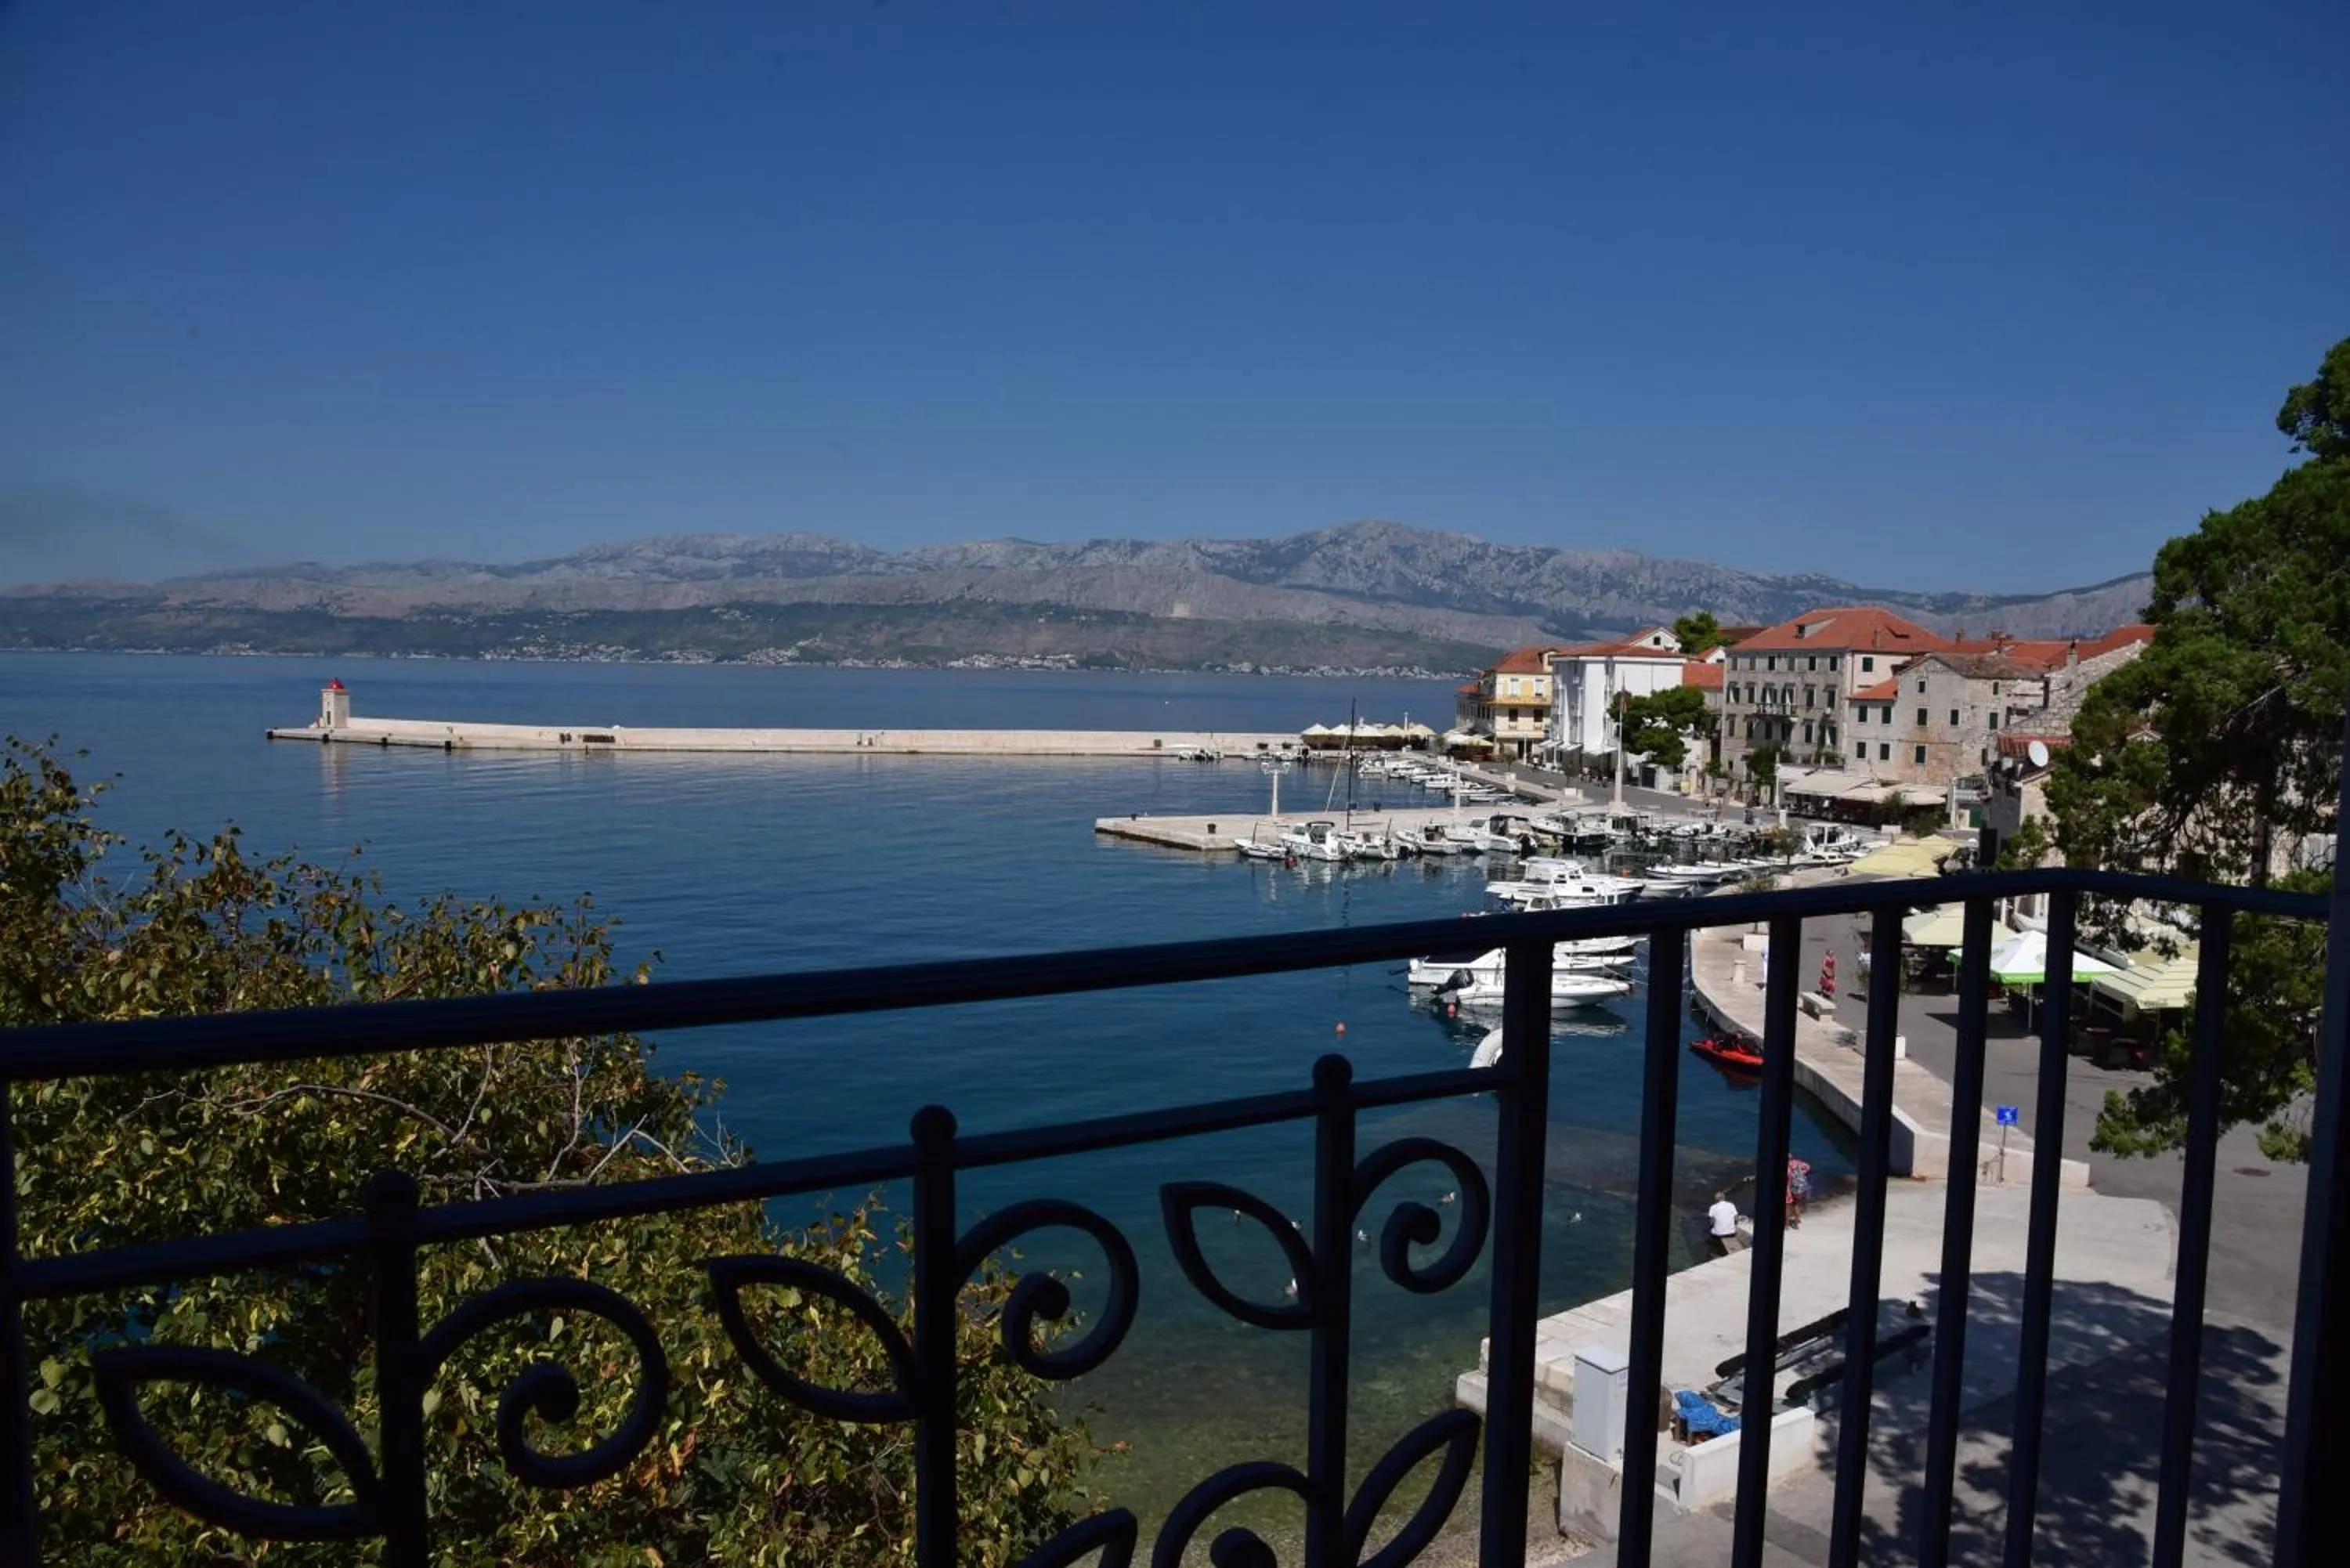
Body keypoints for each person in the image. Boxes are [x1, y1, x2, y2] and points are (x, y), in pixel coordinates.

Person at [1707, 1190, 1743, 1255]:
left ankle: (1714, 1250)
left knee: (1711, 1231)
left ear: (1716, 1199)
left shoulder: (1713, 1207)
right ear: (1724, 1197)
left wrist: (1711, 1226)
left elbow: (1712, 1222)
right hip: (1732, 1232)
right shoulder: (1731, 1205)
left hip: (1719, 1234)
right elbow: (1736, 1218)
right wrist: (1734, 1224)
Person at [1787, 1157, 1813, 1228]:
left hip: (1790, 1187)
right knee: (1796, 1204)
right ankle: (1797, 1221)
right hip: (1799, 1187)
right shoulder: (1798, 1163)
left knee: (1788, 1206)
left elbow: (1788, 1178)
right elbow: (1808, 1167)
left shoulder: (1788, 1165)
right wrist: (1802, 1173)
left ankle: (1786, 1225)